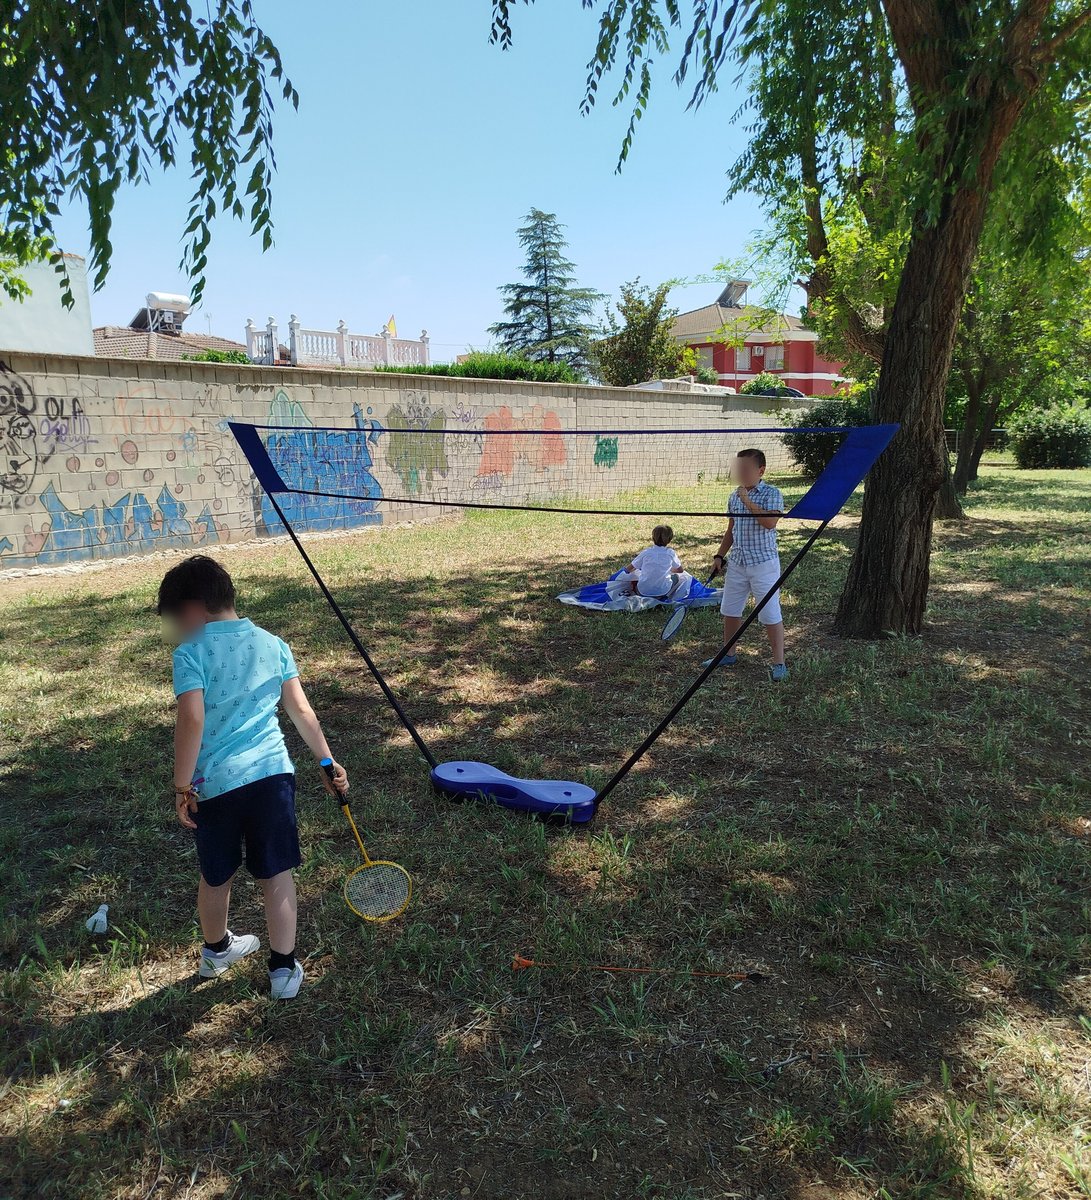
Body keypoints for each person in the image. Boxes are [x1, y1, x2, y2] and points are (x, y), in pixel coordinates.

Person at [158, 554, 349, 1000]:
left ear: (192, 610)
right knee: (277, 874)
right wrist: (326, 762)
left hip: (215, 787)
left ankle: (216, 950)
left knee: (215, 874)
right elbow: (301, 711)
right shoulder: (273, 644)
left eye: (174, 620)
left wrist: (182, 785)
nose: (176, 630)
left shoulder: (189, 654)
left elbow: (191, 719)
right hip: (271, 779)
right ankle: (283, 971)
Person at [704, 448, 788, 680]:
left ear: (760, 471)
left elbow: (770, 522)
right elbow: (731, 529)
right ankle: (728, 654)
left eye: (746, 469)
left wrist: (747, 500)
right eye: (738, 468)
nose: (740, 473)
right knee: (730, 610)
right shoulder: (733, 495)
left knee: (770, 613)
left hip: (764, 564)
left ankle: (779, 663)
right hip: (738, 563)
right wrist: (719, 556)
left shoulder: (772, 493)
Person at [622, 524, 690, 599]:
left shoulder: (646, 552)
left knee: (638, 576)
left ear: (653, 538)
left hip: (643, 592)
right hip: (663, 591)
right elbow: (680, 570)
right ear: (669, 539)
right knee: (676, 577)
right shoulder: (670, 553)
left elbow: (628, 569)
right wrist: (669, 570)